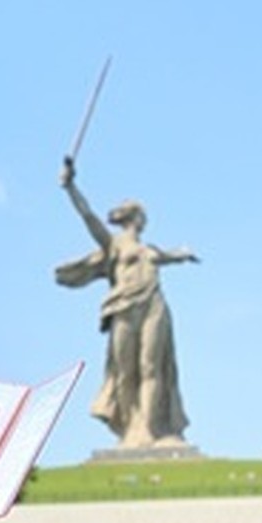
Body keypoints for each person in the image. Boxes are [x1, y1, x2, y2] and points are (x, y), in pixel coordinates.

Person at [55, 161, 199, 448]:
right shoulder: (115, 244)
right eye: (142, 214)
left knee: (152, 367)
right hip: (123, 308)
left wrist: (183, 255)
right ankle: (130, 429)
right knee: (125, 370)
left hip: (153, 306)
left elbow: (168, 256)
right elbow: (88, 217)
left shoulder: (149, 250)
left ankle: (149, 429)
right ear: (135, 217)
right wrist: (71, 187)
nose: (145, 219)